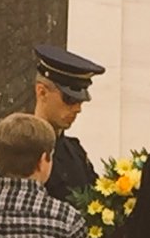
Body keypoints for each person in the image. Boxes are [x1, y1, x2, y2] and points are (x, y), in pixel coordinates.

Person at [33, 43, 105, 202]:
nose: (77, 109)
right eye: (70, 99)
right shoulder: (18, 149)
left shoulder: (75, 153)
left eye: (80, 101)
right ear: (42, 92)